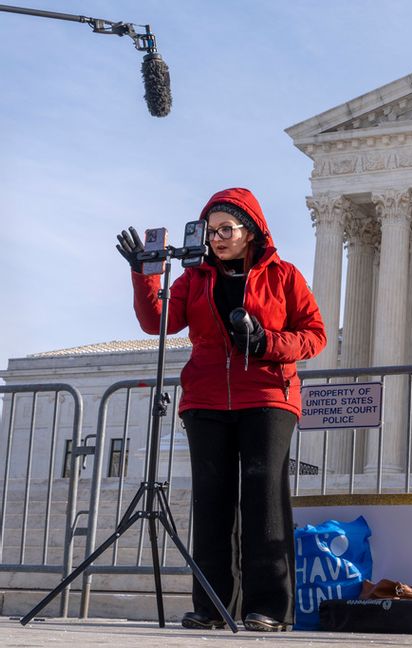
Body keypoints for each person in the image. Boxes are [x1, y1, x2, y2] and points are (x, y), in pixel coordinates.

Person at [115, 187, 326, 632]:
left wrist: (267, 342)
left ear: (250, 231)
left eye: (226, 229)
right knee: (212, 504)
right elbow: (158, 322)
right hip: (206, 399)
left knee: (263, 499)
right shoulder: (195, 278)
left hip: (268, 396)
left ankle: (268, 607)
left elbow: (314, 334)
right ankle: (212, 605)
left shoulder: (284, 275)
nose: (217, 238)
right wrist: (144, 275)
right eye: (210, 231)